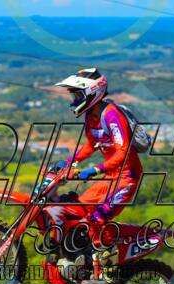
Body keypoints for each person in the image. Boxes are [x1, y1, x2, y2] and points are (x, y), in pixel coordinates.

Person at [43, 68, 143, 255]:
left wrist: (95, 170)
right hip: (111, 176)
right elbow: (91, 145)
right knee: (80, 210)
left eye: (78, 95)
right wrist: (68, 162)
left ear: (92, 92)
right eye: (74, 96)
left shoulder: (112, 115)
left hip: (127, 177)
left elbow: (123, 152)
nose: (75, 100)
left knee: (97, 219)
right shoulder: (90, 114)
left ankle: (107, 262)